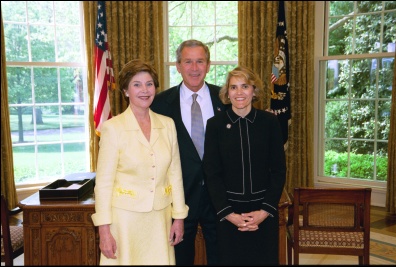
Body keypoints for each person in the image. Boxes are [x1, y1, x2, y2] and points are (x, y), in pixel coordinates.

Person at [91, 59, 189, 265]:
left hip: (160, 219)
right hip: (124, 221)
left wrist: (179, 217)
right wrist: (104, 229)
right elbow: (104, 183)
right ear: (126, 90)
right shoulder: (113, 128)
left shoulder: (168, 124)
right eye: (137, 84)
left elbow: (175, 174)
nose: (144, 90)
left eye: (149, 84)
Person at [151, 39, 226, 265]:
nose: (194, 68)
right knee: (181, 258)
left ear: (208, 65)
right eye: (188, 61)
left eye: (200, 61)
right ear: (178, 65)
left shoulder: (225, 99)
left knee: (222, 257)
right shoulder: (160, 103)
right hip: (179, 198)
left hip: (219, 196)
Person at [202, 66, 287, 266]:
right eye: (233, 87)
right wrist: (228, 214)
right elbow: (212, 173)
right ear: (227, 93)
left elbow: (278, 171)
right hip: (229, 214)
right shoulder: (215, 125)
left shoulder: (269, 122)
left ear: (254, 90)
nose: (239, 92)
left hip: (263, 212)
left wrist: (264, 212)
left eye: (245, 86)